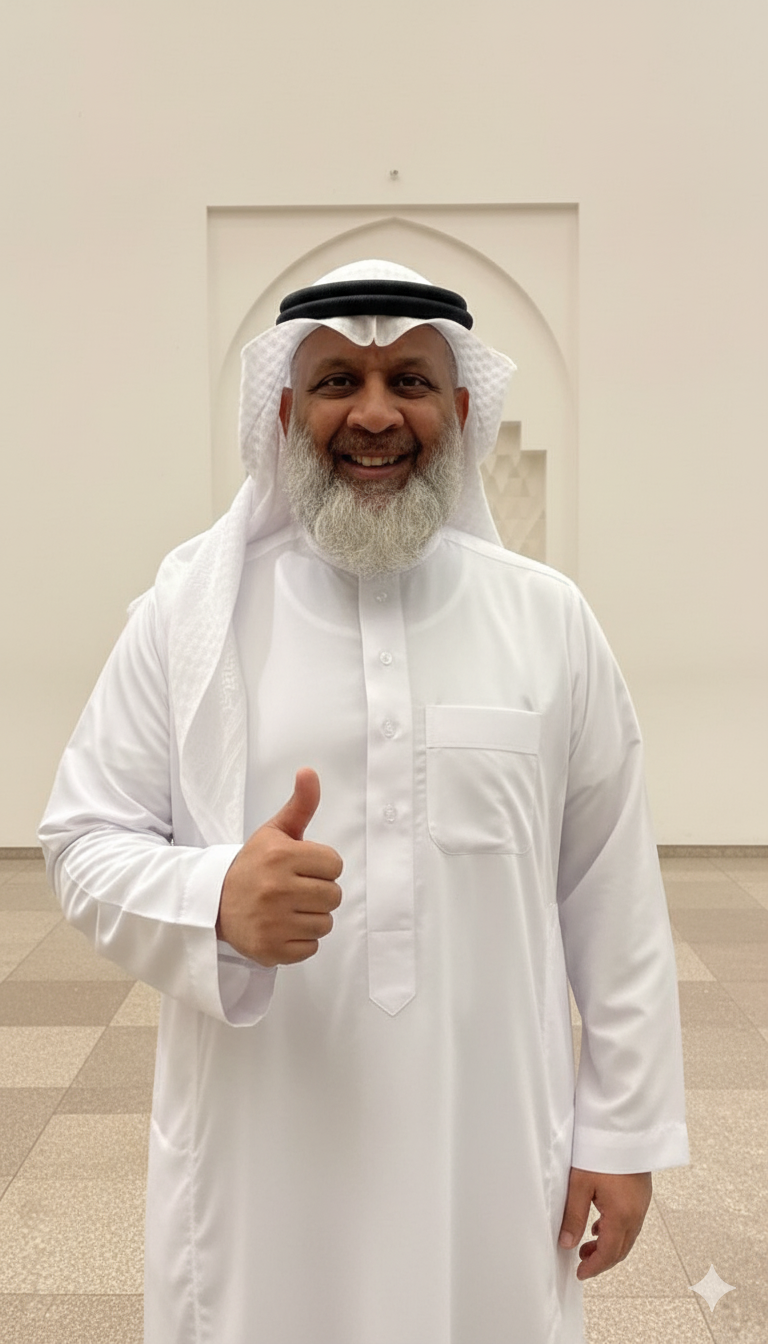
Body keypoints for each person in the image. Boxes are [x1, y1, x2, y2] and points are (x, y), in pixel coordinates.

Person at [39, 258, 689, 1344]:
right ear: (283, 413)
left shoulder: (547, 622)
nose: (375, 414)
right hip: (260, 1170)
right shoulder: (189, 617)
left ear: (463, 413)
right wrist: (214, 899)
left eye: (411, 382)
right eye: (338, 380)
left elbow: (610, 891)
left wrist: (622, 1133)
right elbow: (81, 838)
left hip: (489, 1162)